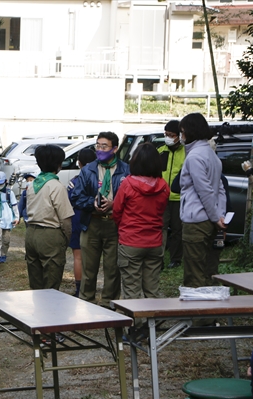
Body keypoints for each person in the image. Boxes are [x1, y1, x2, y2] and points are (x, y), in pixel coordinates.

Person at [113, 143, 169, 328]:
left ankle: (135, 329)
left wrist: (124, 227)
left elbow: (117, 211)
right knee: (152, 287)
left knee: (131, 288)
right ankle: (152, 326)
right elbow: (161, 210)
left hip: (131, 241)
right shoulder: (163, 186)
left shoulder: (127, 184)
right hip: (154, 242)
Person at [71, 132, 129, 308]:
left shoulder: (126, 170)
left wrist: (114, 204)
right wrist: (92, 203)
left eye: (104, 146)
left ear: (115, 148)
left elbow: (131, 198)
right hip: (92, 222)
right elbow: (76, 196)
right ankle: (86, 301)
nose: (100, 149)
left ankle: (108, 302)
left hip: (114, 223)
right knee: (89, 266)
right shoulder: (88, 169)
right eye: (98, 146)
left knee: (112, 267)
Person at [178, 113, 227, 289]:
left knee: (194, 274)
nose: (181, 136)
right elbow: (220, 189)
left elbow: (204, 190)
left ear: (189, 131)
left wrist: (216, 217)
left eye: (182, 131)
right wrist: (219, 215)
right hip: (210, 220)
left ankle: (198, 316)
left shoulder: (194, 157)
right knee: (209, 269)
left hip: (196, 220)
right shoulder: (211, 154)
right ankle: (208, 315)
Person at [24, 145, 74, 290]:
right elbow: (65, 220)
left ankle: (37, 310)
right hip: (50, 235)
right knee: (51, 282)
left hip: (31, 233)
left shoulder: (32, 184)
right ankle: (50, 311)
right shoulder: (56, 186)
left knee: (36, 281)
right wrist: (66, 239)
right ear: (58, 164)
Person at [67, 148, 97, 297]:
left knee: (78, 256)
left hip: (77, 219)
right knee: (93, 257)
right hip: (94, 219)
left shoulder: (74, 182)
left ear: (79, 163)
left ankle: (79, 289)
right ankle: (91, 287)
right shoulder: (98, 180)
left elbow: (68, 201)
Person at [157, 120, 185, 269]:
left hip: (179, 198)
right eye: (166, 134)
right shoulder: (161, 151)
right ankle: (158, 259)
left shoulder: (186, 152)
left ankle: (175, 258)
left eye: (171, 135)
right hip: (161, 197)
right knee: (160, 228)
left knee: (177, 230)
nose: (168, 137)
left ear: (179, 135)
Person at [0, 171, 19, 266]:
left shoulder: (9, 193)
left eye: (1, 184)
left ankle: (4, 254)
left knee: (6, 240)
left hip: (8, 220)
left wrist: (17, 217)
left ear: (6, 182)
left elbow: (15, 206)